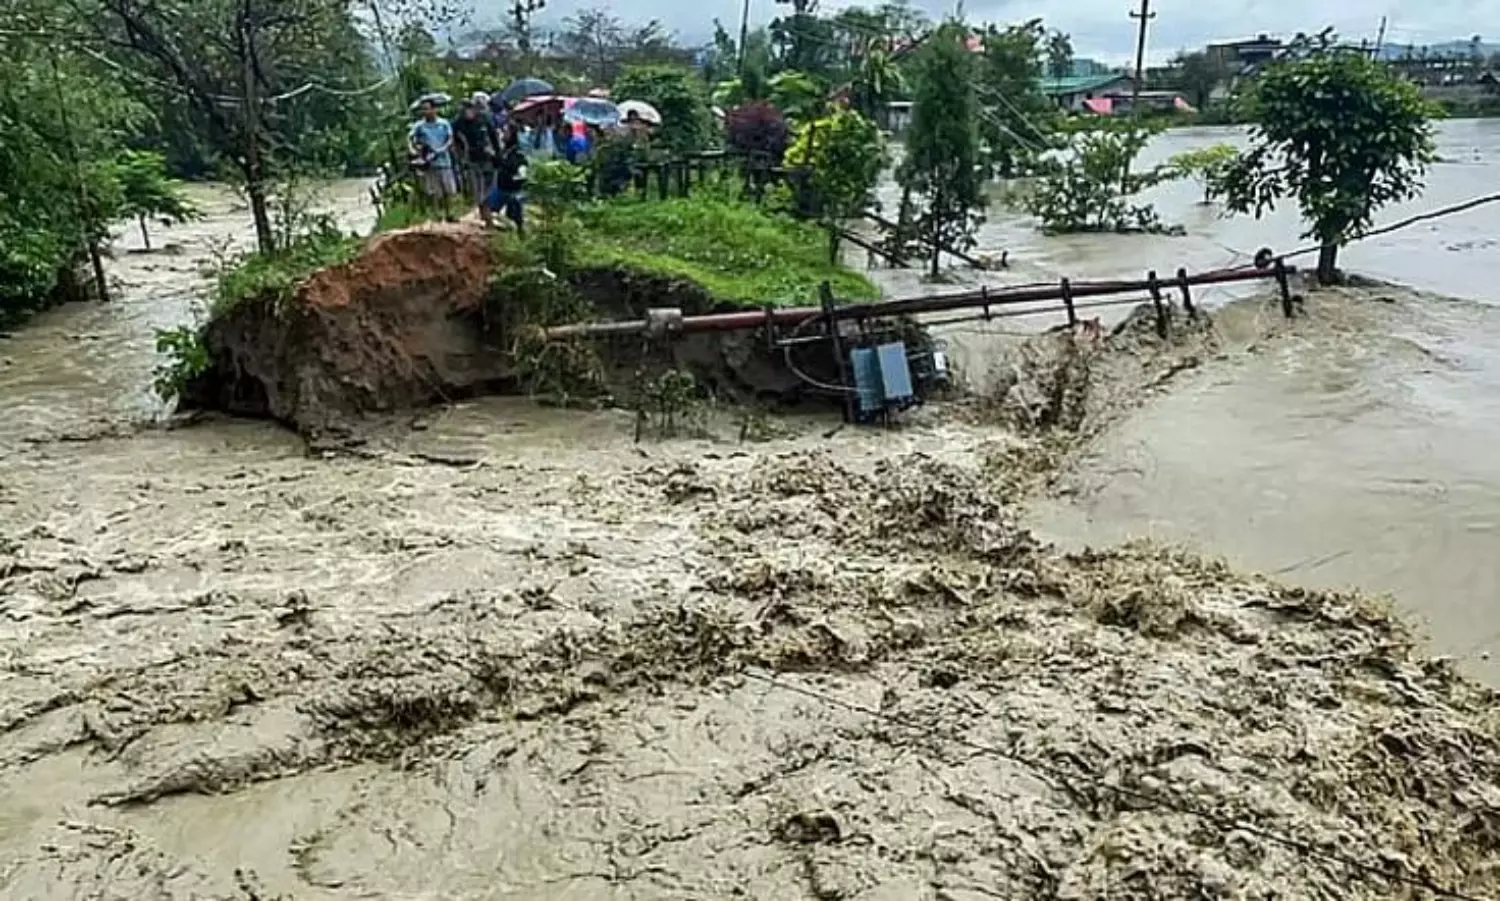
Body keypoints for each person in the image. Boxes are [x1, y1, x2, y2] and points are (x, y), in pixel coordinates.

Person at [453, 94, 501, 226]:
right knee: (477, 188)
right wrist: (460, 156)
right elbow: (454, 141)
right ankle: (486, 215)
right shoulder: (458, 123)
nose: (467, 112)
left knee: (490, 185)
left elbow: (493, 136)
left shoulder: (484, 118)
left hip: (487, 157)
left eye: (468, 109)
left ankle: (489, 211)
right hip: (471, 159)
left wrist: (498, 154)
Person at [408, 99, 457, 219]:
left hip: (444, 160)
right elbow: (410, 138)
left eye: (428, 108)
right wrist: (414, 150)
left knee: (448, 190)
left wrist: (443, 148)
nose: (425, 111)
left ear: (434, 109)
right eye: (423, 109)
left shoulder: (444, 123)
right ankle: (437, 214)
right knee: (434, 191)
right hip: (429, 162)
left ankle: (450, 213)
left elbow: (450, 138)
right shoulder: (419, 126)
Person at [490, 128, 526, 234]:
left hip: (513, 190)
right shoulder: (504, 150)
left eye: (506, 132)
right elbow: (498, 164)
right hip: (501, 188)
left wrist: (499, 160)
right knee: (490, 210)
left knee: (515, 213)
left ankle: (519, 232)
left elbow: (515, 167)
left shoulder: (517, 152)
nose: (503, 134)